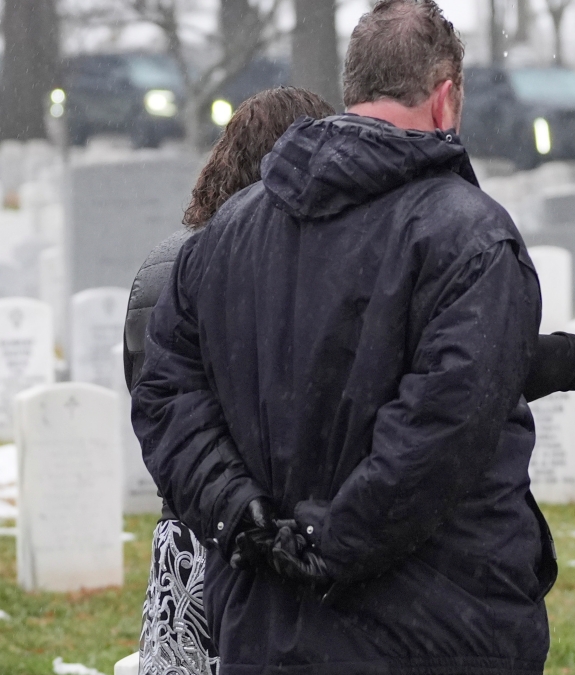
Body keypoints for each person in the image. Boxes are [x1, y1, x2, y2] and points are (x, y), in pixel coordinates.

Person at [131, 2, 575, 672]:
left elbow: (166, 398)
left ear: (355, 89)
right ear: (445, 96)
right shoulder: (471, 237)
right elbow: (441, 436)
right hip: (437, 626)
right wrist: (323, 542)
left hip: (269, 625)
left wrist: (243, 516)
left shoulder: (226, 235)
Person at [125, 86, 336, 675]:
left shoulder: (167, 262)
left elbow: (155, 401)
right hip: (264, 532)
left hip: (190, 523)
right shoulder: (266, 266)